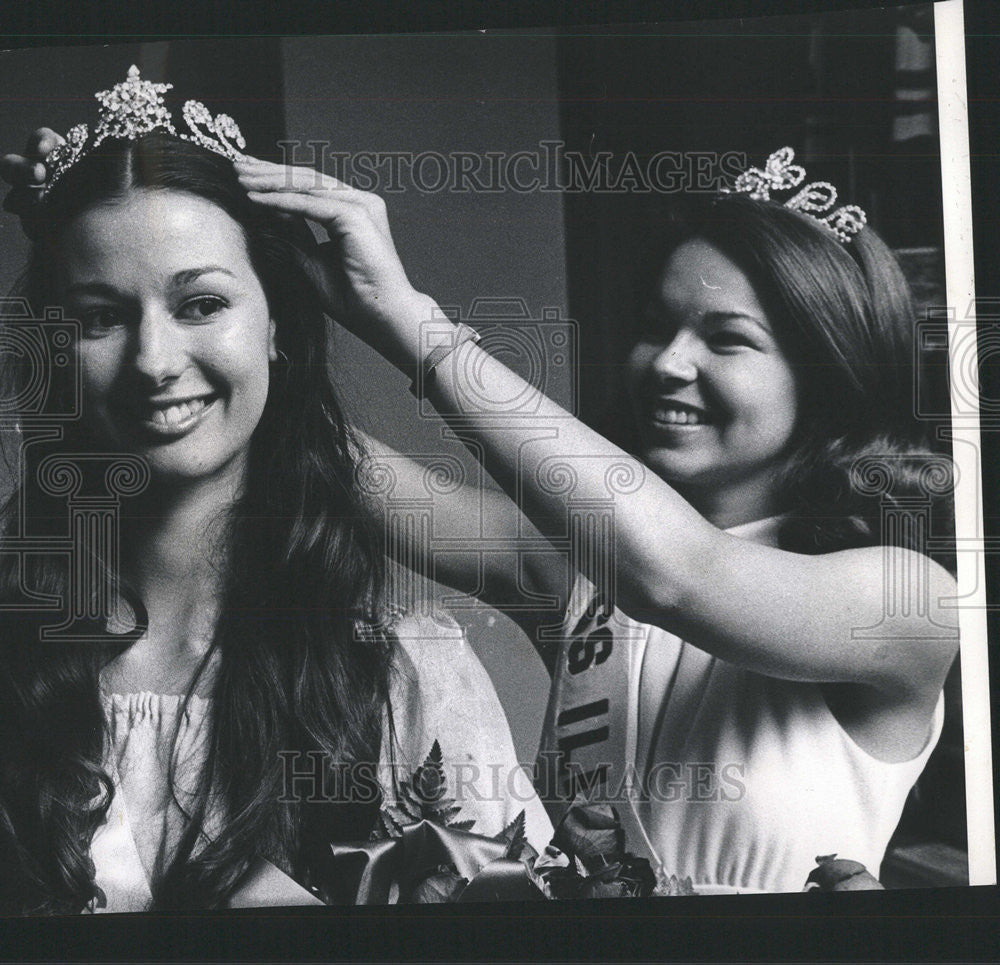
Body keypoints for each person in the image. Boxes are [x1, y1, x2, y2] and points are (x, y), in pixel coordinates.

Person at [4, 110, 958, 893]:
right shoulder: (575, 571)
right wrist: (119, 250)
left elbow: (681, 576)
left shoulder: (901, 597)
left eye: (727, 338)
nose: (669, 362)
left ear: (827, 366)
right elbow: (282, 444)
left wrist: (400, 310)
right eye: (656, 325)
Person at [0, 72, 551, 915]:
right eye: (97, 317)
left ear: (280, 327)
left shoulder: (397, 681)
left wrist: (399, 312)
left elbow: (581, 562)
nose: (154, 361)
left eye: (203, 303)